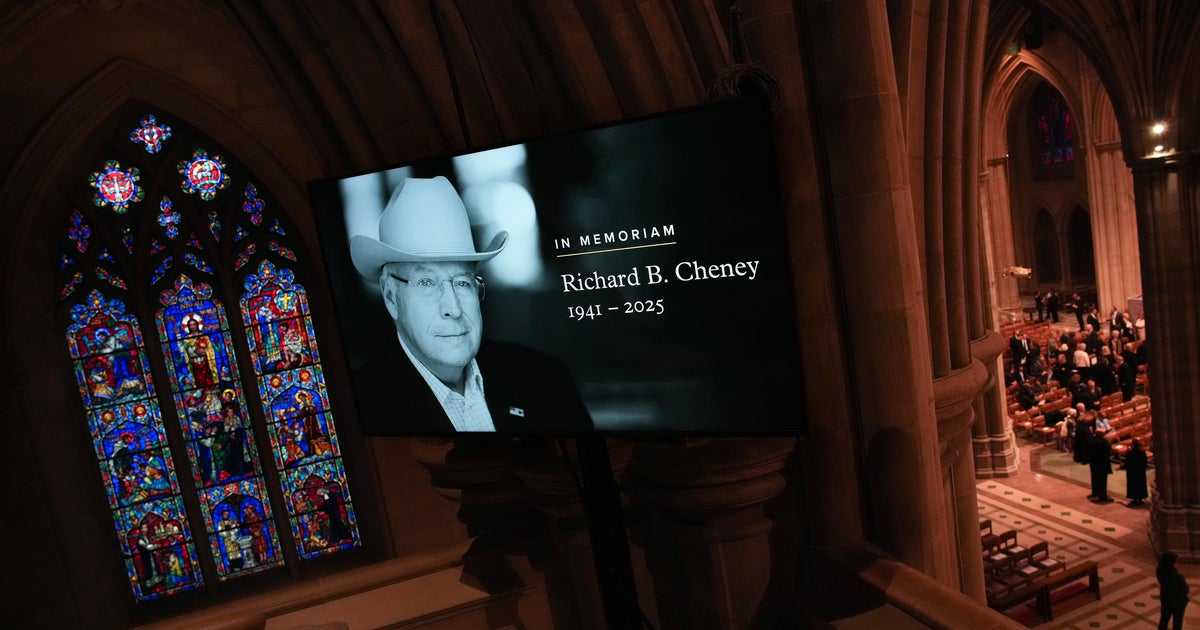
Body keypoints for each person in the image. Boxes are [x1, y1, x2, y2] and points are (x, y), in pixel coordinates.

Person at [349, 176, 594, 435]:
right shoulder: (360, 411)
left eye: (463, 283)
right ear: (390, 297)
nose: (453, 309)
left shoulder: (546, 379)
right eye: (427, 283)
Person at [1157, 550, 1190, 630]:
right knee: (1177, 621)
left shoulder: (1159, 570)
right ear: (1172, 563)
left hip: (1166, 598)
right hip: (1178, 602)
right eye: (1176, 562)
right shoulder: (1178, 577)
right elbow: (1186, 589)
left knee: (1164, 619)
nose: (1177, 564)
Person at [1087, 424, 1114, 503]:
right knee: (1102, 481)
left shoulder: (1091, 440)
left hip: (1094, 463)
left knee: (1094, 478)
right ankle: (1102, 496)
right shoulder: (1104, 442)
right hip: (1102, 464)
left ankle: (1095, 493)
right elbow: (1109, 451)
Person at [1121, 439, 1149, 507]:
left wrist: (1121, 467)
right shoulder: (1142, 453)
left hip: (1132, 472)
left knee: (1133, 485)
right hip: (1140, 472)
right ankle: (1140, 498)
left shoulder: (1129, 453)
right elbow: (1145, 462)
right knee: (1140, 484)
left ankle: (1135, 499)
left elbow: (1127, 463)